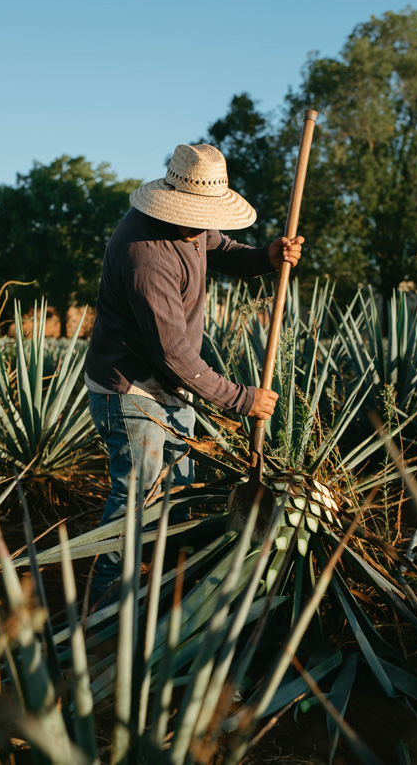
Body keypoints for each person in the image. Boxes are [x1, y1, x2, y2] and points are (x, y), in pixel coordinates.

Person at [84, 143, 303, 604]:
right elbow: (174, 355)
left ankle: (164, 593)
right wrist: (243, 400)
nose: (207, 224)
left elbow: (224, 250)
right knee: (137, 499)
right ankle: (105, 608)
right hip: (130, 390)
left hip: (171, 389)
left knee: (177, 492)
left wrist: (267, 255)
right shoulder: (145, 257)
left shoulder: (193, 225)